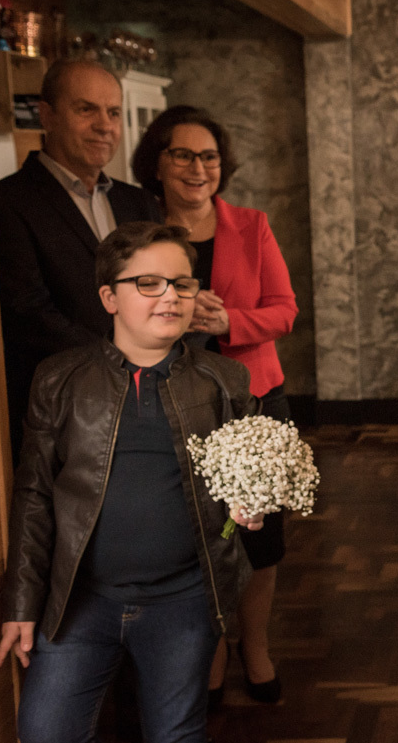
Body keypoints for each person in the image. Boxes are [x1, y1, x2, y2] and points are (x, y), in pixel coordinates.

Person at [0, 221, 262, 743]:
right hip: (79, 601)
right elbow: (33, 496)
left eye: (182, 284)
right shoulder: (60, 379)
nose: (170, 297)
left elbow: (246, 487)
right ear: (108, 297)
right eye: (148, 283)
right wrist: (21, 604)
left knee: (175, 734)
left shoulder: (223, 381)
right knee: (46, 730)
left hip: (183, 600)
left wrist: (242, 515)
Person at [131, 106, 298, 706]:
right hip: (170, 406)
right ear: (157, 162)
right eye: (183, 155)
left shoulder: (251, 226)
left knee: (260, 541)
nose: (198, 168)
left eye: (210, 157)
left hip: (253, 403)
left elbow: (284, 309)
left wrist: (232, 320)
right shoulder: (139, 231)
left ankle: (254, 645)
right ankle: (213, 649)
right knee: (193, 537)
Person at [0, 59, 161, 458]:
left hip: (148, 401)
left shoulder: (137, 202)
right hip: (64, 411)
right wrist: (122, 364)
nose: (104, 125)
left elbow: (160, 285)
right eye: (86, 109)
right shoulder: (6, 203)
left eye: (113, 112)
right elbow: (27, 311)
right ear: (46, 115)